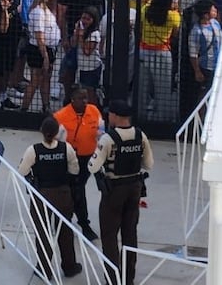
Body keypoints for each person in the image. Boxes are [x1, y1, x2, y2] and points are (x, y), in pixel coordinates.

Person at [91, 100, 153, 285]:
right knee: (130, 234)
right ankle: (128, 278)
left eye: (110, 114)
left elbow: (92, 166)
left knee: (109, 236)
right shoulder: (140, 135)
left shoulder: (107, 139)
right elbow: (148, 164)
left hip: (114, 191)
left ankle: (113, 279)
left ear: (116, 116)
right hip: (134, 188)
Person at [16, 115, 82, 280]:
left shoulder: (33, 150)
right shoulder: (66, 148)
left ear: (41, 131)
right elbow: (75, 170)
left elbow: (22, 170)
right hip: (63, 193)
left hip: (42, 194)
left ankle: (44, 269)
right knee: (65, 231)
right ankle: (69, 266)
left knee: (42, 232)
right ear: (57, 131)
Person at [52, 86, 102, 241]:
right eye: (81, 98)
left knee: (78, 190)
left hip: (88, 159)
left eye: (86, 97)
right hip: (68, 160)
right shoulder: (60, 116)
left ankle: (68, 222)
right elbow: (52, 139)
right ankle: (80, 224)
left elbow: (101, 133)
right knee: (74, 191)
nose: (85, 101)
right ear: (72, 99)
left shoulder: (94, 111)